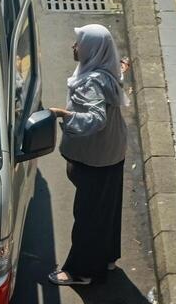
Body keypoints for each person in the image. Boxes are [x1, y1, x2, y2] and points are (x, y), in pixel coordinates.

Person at [46, 24, 129, 286]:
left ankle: (80, 271)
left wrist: (63, 115)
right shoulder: (108, 70)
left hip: (96, 158)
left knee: (88, 215)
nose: (74, 47)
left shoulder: (91, 82)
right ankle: (107, 258)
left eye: (78, 43)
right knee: (107, 209)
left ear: (93, 50)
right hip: (112, 152)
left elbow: (96, 118)